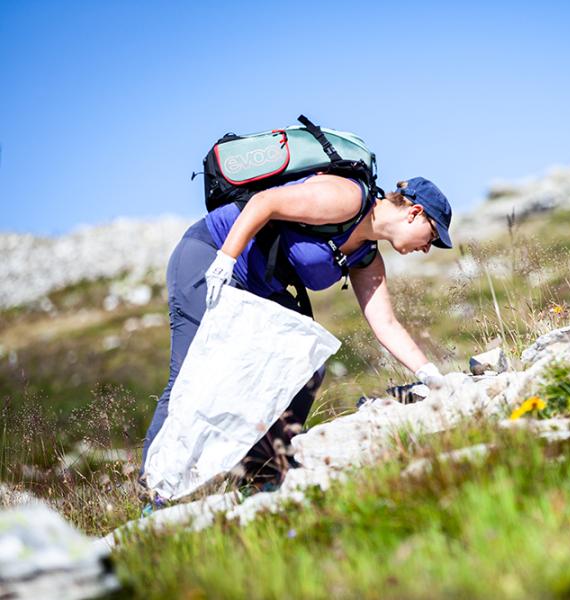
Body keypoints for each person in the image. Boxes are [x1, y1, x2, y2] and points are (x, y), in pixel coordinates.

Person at [141, 174, 452, 488]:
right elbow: (264, 202)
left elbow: (386, 324)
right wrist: (225, 260)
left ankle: (260, 478)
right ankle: (154, 490)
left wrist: (430, 375)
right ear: (415, 213)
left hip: (259, 285)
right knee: (190, 377)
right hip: (211, 252)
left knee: (307, 363)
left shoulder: (366, 257)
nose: (428, 248)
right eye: (433, 236)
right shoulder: (348, 198)